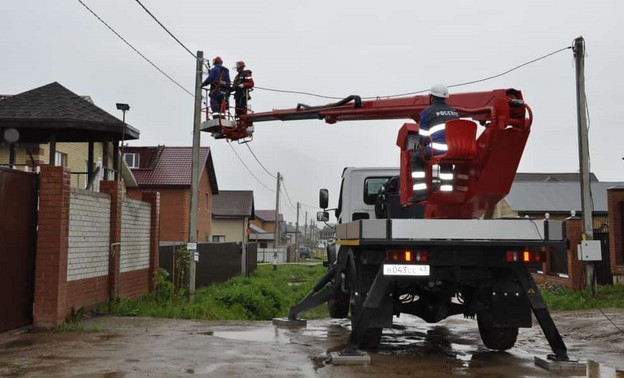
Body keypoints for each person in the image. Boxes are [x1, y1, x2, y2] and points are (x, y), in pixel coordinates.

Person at [409, 84, 459, 202]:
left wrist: (423, 147)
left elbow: (422, 138)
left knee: (416, 159)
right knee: (446, 162)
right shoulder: (454, 112)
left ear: (431, 97)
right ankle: (447, 194)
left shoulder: (427, 112)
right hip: (453, 149)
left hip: (437, 149)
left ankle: (420, 194)